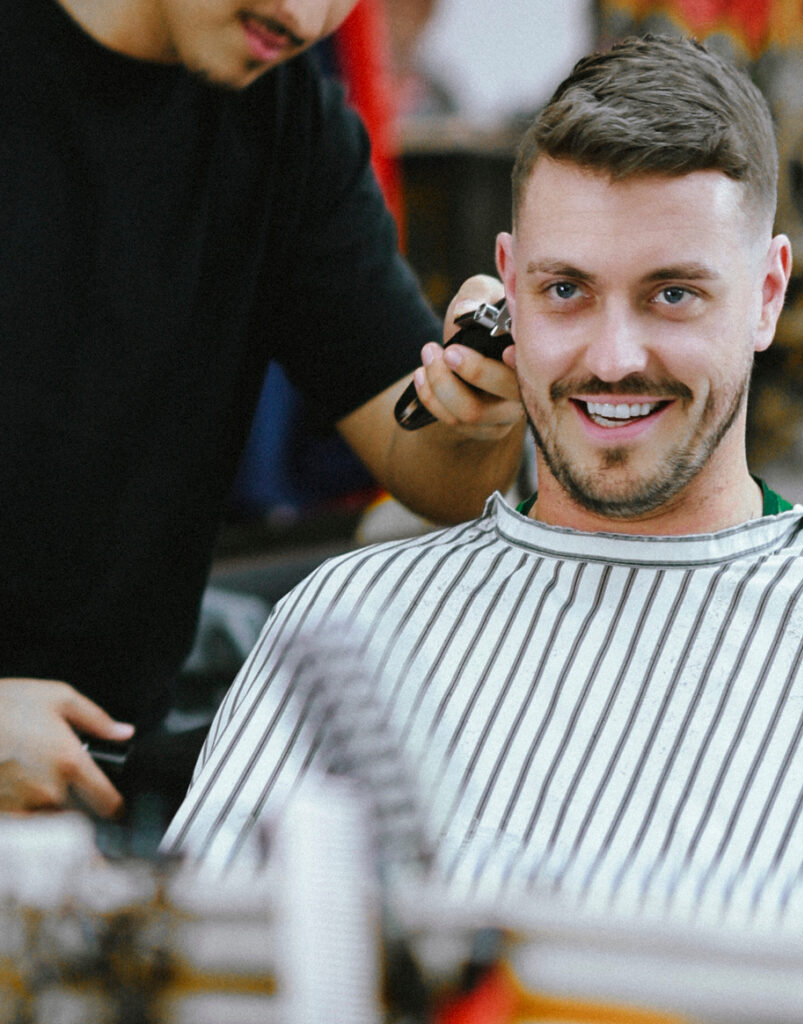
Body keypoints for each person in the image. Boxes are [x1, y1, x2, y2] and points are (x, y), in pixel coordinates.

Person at [163, 35, 803, 938]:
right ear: (508, 286)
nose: (614, 359)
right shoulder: (348, 619)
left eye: (673, 295)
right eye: (566, 290)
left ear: (767, 294)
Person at [0, 0, 526, 822]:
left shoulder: (288, 123)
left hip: (100, 824)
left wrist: (484, 413)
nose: (305, 16)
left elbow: (427, 457)